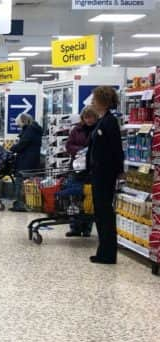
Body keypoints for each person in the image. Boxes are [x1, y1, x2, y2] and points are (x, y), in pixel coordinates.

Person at [87, 86, 124, 265]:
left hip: (105, 174)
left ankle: (108, 253)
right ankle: (103, 251)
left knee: (105, 213)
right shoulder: (102, 121)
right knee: (100, 213)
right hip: (98, 173)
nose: (92, 102)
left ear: (103, 101)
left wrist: (119, 171)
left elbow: (116, 149)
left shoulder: (110, 122)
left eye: (95, 99)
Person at [65, 107, 98, 238]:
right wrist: (80, 150)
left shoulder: (98, 130)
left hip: (92, 169)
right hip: (76, 168)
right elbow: (68, 145)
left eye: (92, 117)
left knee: (88, 199)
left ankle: (87, 228)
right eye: (87, 117)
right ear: (83, 118)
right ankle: (74, 227)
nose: (89, 120)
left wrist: (90, 152)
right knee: (74, 197)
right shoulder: (76, 130)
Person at [9, 113, 43, 212]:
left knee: (20, 181)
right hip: (31, 159)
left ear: (23, 121)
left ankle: (19, 205)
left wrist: (12, 149)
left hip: (26, 160)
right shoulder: (34, 129)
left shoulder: (30, 130)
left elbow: (22, 144)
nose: (19, 126)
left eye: (19, 124)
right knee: (27, 182)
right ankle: (27, 203)